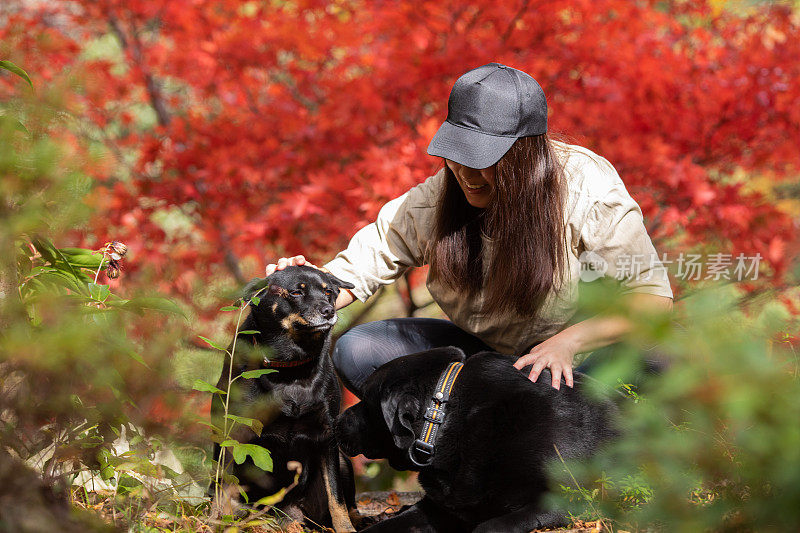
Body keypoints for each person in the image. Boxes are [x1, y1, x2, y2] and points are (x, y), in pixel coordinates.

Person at [266, 63, 673, 397]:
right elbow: (355, 272)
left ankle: (582, 464)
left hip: (578, 362)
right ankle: (460, 463)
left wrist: (567, 343)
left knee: (659, 358)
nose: (465, 172)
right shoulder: (436, 200)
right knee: (359, 348)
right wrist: (298, 287)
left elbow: (651, 298)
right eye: (458, 155)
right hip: (487, 364)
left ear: (525, 153)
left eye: (485, 158)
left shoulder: (587, 189)